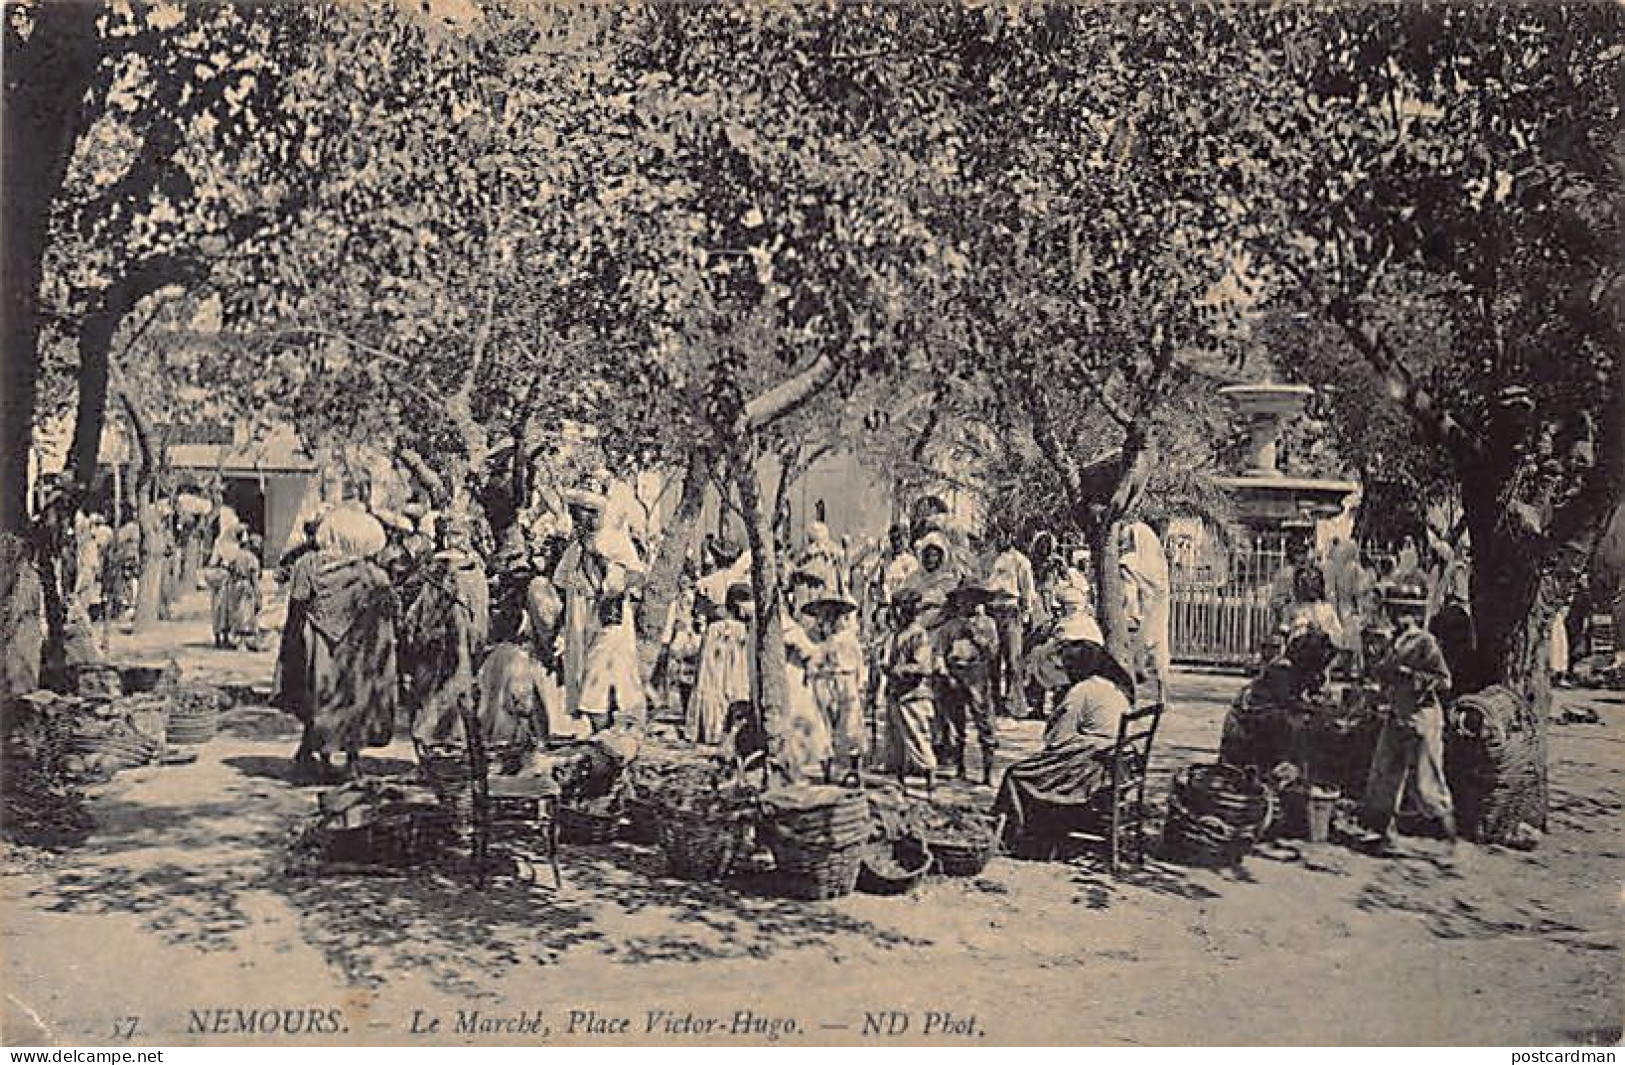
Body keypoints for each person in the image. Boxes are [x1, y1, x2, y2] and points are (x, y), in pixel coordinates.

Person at [275, 508, 399, 779]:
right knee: (355, 699)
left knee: (318, 695)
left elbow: (296, 604)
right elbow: (389, 618)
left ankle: (321, 756)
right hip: (357, 650)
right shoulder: (373, 575)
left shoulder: (308, 565)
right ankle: (352, 760)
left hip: (318, 645)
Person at [993, 640, 1137, 857]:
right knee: (1035, 768)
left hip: (1091, 768)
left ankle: (1017, 837)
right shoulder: (1114, 686)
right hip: (1118, 762)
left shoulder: (1082, 691)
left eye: (1067, 667)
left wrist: (1056, 716)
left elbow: (1057, 741)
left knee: (1016, 775)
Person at [1359, 582, 1459, 855]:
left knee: (1427, 782)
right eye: (1394, 611)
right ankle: (1385, 835)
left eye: (1402, 612)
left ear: (1414, 615)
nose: (1396, 617)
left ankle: (1451, 838)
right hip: (1397, 714)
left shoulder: (1425, 642)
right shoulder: (1393, 640)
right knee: (1385, 776)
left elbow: (1444, 681)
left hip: (1421, 717)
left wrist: (1412, 677)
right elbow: (1383, 673)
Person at [401, 514, 491, 742]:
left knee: (429, 696)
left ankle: (428, 747)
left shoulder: (430, 567)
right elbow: (480, 617)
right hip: (458, 641)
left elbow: (414, 612)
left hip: (431, 641)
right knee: (456, 694)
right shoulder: (472, 571)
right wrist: (477, 646)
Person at [1219, 623, 1335, 775]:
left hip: (1263, 717)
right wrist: (1315, 708)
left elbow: (1314, 693)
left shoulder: (1303, 672)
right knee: (1295, 724)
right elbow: (1287, 703)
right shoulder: (1282, 670)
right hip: (1248, 723)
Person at [934, 583, 1000, 784]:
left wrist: (976, 635)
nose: (966, 604)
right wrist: (946, 674)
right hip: (954, 673)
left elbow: (993, 652)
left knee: (984, 721)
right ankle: (959, 767)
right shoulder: (949, 626)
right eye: (962, 599)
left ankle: (988, 772)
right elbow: (939, 653)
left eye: (971, 599)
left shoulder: (986, 624)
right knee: (956, 722)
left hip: (976, 672)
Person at [804, 594, 866, 783]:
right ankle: (827, 772)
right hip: (822, 681)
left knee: (850, 726)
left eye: (832, 613)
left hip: (845, 679)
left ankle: (854, 769)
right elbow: (808, 661)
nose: (827, 617)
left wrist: (861, 686)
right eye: (823, 614)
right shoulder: (812, 638)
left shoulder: (848, 638)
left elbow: (859, 665)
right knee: (822, 726)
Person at [885, 588, 939, 790]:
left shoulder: (918, 635)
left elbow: (923, 666)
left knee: (918, 739)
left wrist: (901, 670)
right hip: (896, 693)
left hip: (913, 694)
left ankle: (930, 781)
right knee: (897, 742)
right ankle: (900, 784)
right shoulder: (897, 634)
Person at [688, 582, 754, 745]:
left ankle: (716, 730)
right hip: (724, 656)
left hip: (723, 655)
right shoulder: (735, 627)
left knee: (718, 684)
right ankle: (716, 729)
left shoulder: (724, 626)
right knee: (722, 684)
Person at [986, 535, 1038, 718]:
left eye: (1004, 535)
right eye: (997, 535)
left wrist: (1026, 613)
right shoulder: (990, 559)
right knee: (992, 659)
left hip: (1010, 609)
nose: (1000, 539)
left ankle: (1015, 704)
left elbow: (1027, 589)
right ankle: (994, 703)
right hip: (991, 610)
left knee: (1013, 660)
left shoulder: (1020, 560)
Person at [1120, 522, 1171, 706]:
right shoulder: (1159, 568)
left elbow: (1129, 595)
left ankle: (1130, 698)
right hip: (1157, 616)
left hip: (1138, 617)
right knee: (1160, 653)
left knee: (1130, 657)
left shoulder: (1129, 563)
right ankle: (1161, 696)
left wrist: (1130, 613)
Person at [222, 533, 264, 650]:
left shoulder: (236, 555)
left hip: (235, 585)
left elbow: (229, 569)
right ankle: (244, 641)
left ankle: (238, 640)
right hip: (246, 586)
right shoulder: (252, 559)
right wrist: (258, 594)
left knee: (237, 613)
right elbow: (254, 578)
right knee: (247, 613)